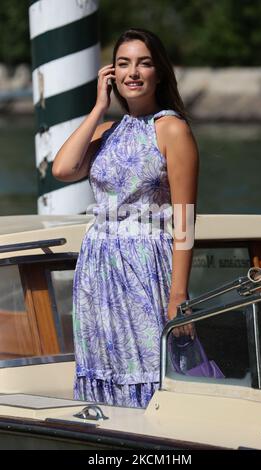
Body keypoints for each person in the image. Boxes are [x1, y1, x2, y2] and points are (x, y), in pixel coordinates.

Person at [52, 28, 199, 408]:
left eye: (144, 63)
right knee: (106, 364)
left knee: (150, 365)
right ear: (112, 74)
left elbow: (185, 221)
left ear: (160, 73)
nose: (133, 72)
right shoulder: (107, 130)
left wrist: (179, 296)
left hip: (146, 265)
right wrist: (99, 107)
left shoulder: (171, 129)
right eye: (123, 64)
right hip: (98, 268)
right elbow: (63, 170)